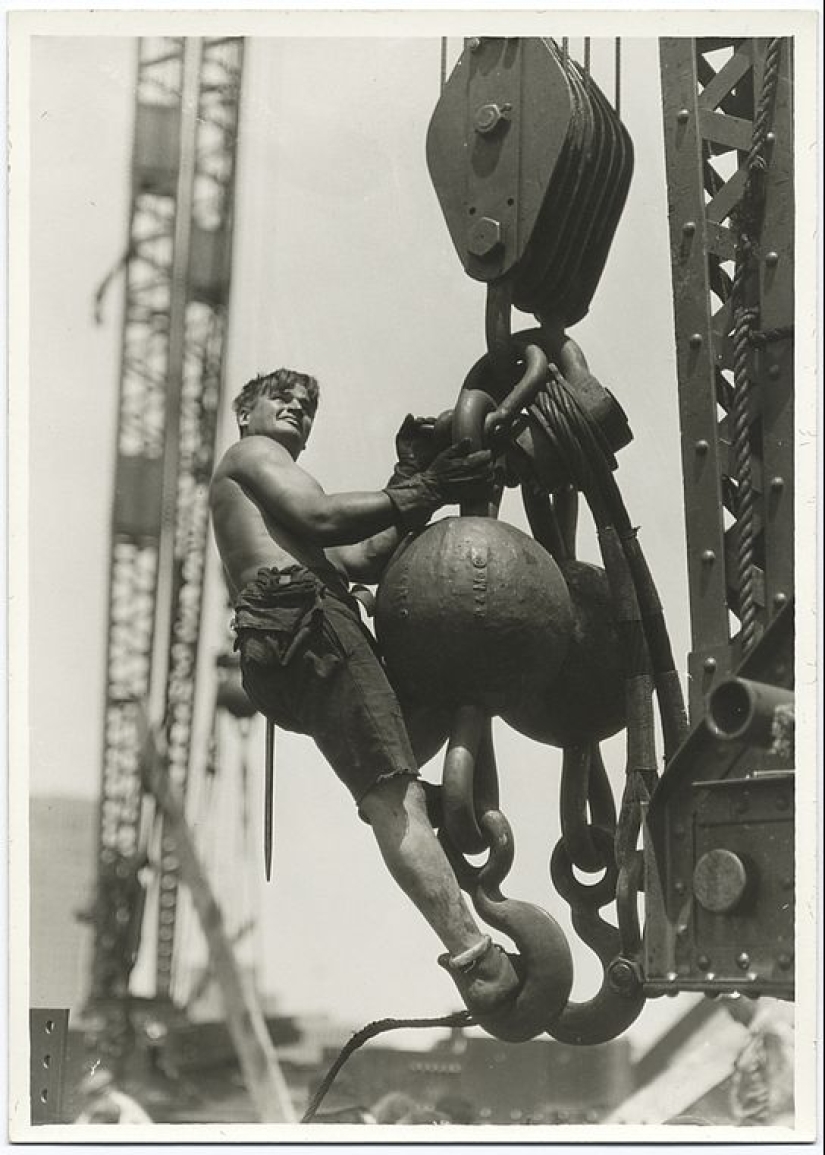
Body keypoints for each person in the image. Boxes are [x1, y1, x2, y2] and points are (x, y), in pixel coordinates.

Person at [209, 368, 521, 1017]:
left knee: (439, 690)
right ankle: (475, 960)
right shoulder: (252, 456)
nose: (297, 407)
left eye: (307, 405)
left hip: (293, 640)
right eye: (281, 398)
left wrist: (415, 482)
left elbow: (360, 558)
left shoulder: (267, 516)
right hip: (306, 620)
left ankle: (428, 809)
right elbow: (322, 518)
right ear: (245, 414)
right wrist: (426, 485)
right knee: (389, 795)